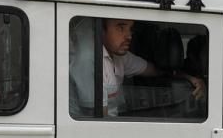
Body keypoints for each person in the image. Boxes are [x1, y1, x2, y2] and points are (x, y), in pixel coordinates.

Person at [70, 18, 204, 117]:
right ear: (101, 30)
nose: (129, 36)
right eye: (120, 28)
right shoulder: (89, 60)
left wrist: (190, 78)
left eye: (130, 29)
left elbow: (156, 71)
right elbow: (99, 122)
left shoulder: (120, 56)